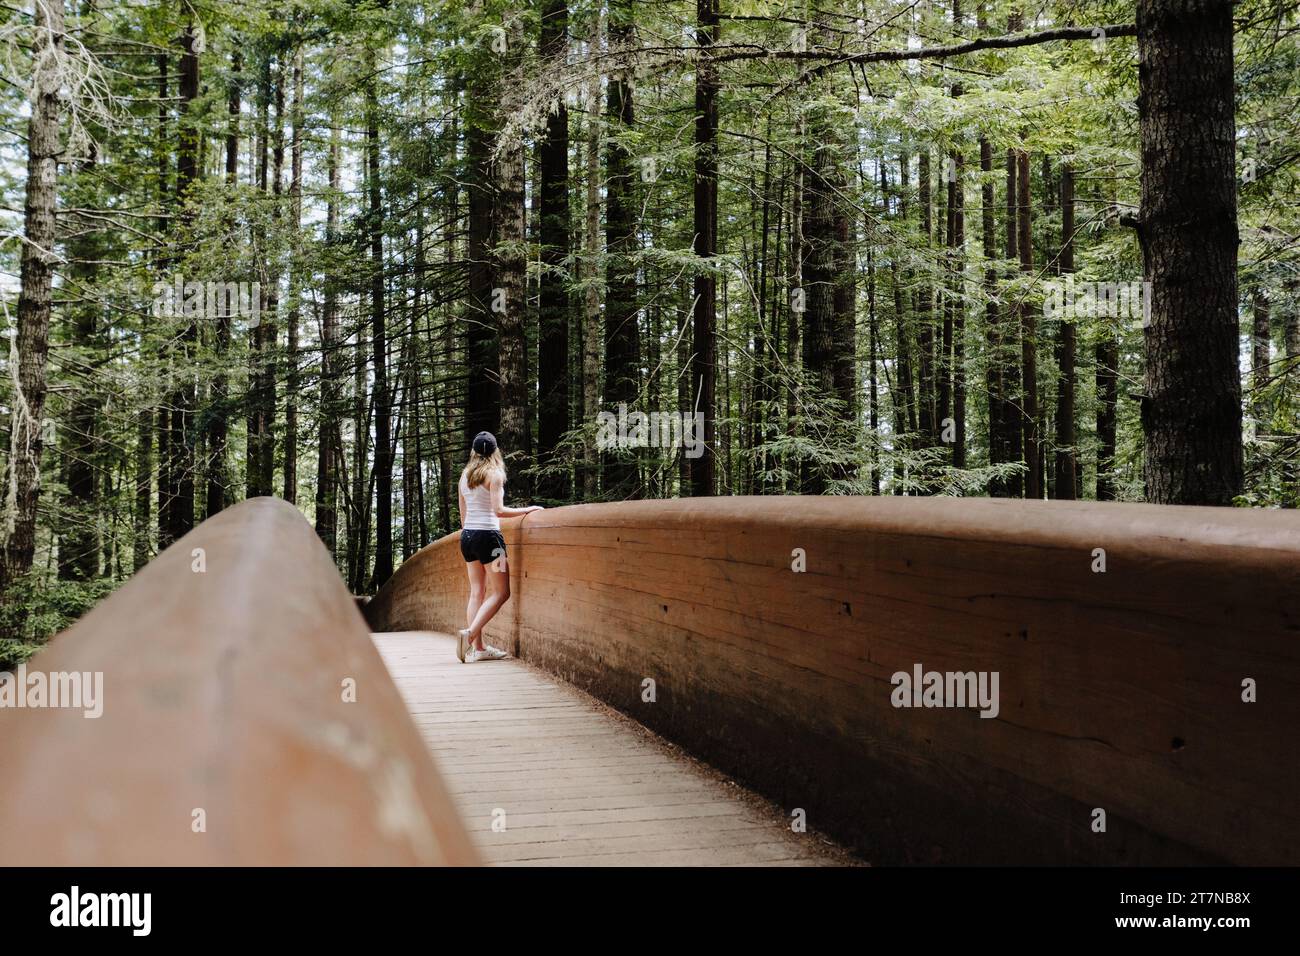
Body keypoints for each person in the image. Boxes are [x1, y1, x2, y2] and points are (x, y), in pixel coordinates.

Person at [456, 431, 543, 663]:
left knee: (477, 592)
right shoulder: (494, 475)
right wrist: (529, 509)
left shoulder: (464, 476)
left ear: (474, 451)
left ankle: (479, 649)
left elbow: (463, 518)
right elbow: (499, 511)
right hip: (489, 539)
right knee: (502, 592)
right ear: (495, 451)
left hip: (468, 538)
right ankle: (470, 635)